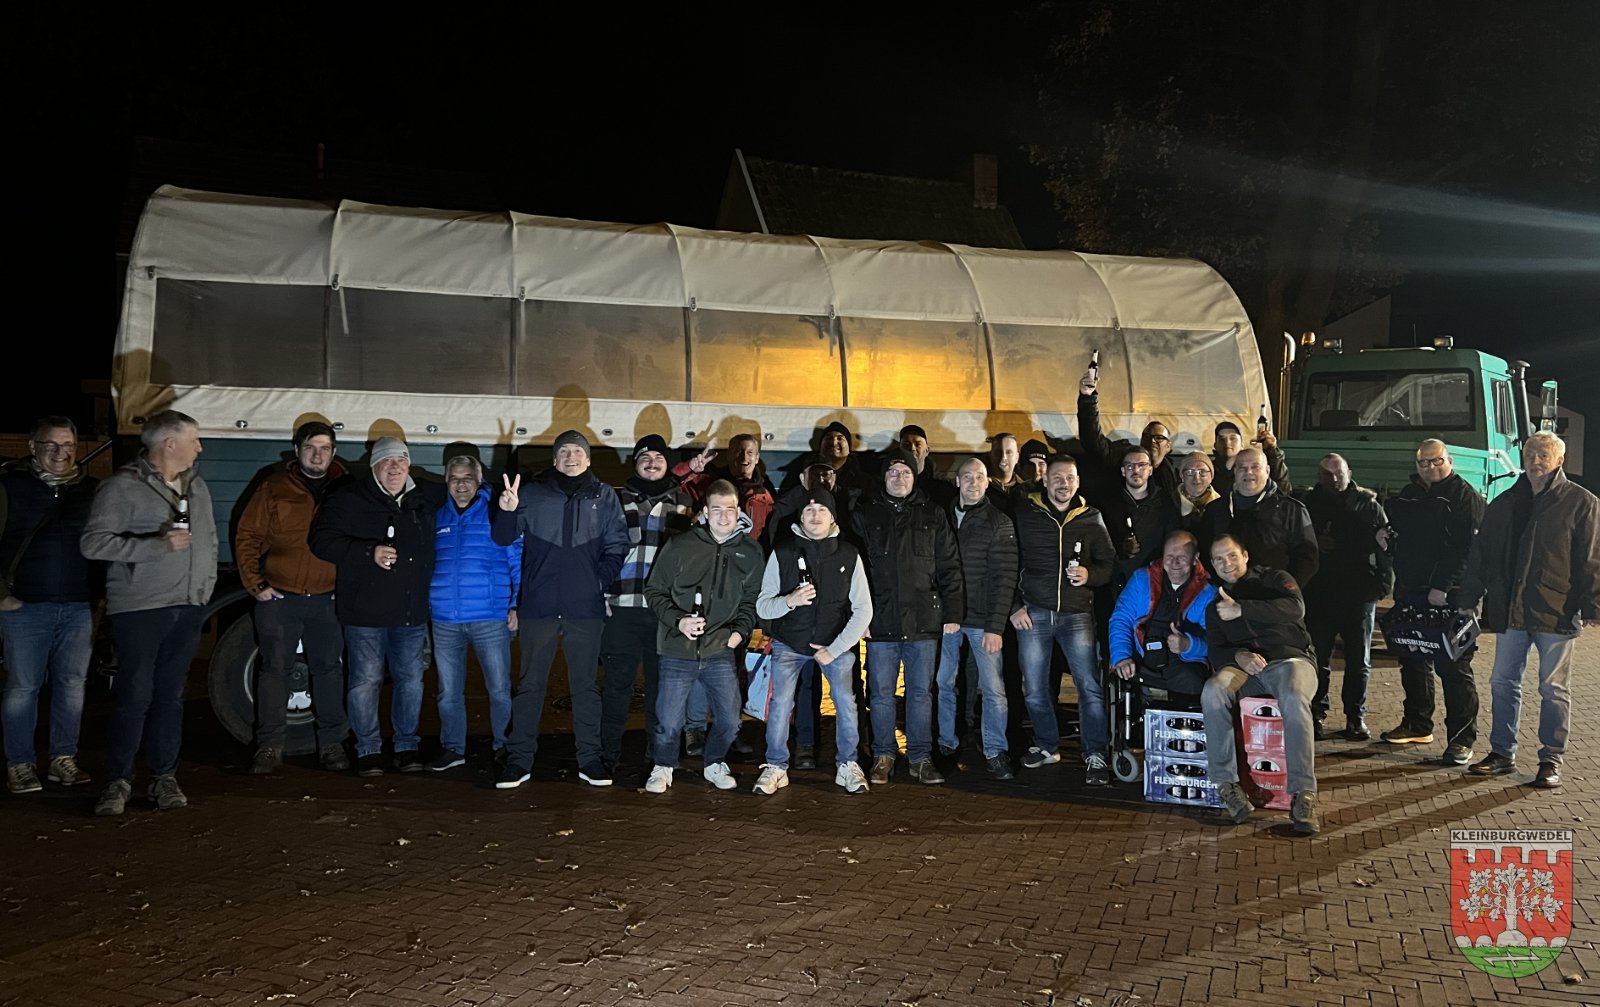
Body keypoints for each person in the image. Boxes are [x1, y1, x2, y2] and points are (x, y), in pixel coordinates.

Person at [81, 410, 217, 816]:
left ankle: (164, 777)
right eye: (194, 439)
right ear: (169, 444)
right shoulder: (121, 487)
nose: (200, 447)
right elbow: (93, 543)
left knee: (171, 696)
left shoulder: (197, 486)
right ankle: (118, 781)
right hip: (141, 607)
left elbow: (209, 540)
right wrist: (155, 546)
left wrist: (204, 590)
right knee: (134, 696)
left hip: (187, 606)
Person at [1457, 432, 1598, 788]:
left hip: (1557, 610)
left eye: (1544, 454)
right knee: (1503, 682)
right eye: (1530, 453)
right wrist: (1468, 597)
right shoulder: (1505, 502)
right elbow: (1481, 553)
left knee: (1553, 688)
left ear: (1560, 460)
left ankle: (1551, 759)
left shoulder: (1581, 502)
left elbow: (1592, 558)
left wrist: (1593, 605)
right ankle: (1502, 753)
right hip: (1511, 611)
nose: (1535, 460)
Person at [493, 430, 629, 789]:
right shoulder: (532, 493)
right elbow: (503, 537)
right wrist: (506, 510)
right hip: (538, 606)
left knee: (585, 688)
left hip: (584, 609)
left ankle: (590, 760)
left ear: (588, 459)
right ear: (554, 459)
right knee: (529, 687)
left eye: (577, 451)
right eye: (564, 451)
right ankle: (519, 761)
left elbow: (618, 544)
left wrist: (597, 582)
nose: (571, 457)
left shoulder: (604, 496)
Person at [308, 437, 436, 778]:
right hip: (364, 612)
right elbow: (321, 541)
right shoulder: (349, 499)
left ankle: (407, 746)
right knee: (365, 681)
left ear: (409, 464)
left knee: (411, 681)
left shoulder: (423, 498)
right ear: (374, 466)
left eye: (401, 460)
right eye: (387, 461)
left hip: (410, 613)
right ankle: (368, 749)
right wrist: (369, 552)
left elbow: (464, 487)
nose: (395, 467)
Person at [233, 420, 349, 774]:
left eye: (325, 448)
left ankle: (332, 745)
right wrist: (256, 585)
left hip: (328, 600)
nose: (317, 455)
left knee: (329, 671)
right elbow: (248, 536)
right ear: (297, 450)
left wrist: (348, 588)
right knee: (274, 672)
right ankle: (270, 747)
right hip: (280, 598)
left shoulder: (347, 488)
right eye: (310, 448)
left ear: (333, 452)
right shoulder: (273, 486)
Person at [641, 480, 764, 793]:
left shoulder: (750, 551)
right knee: (669, 720)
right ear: (705, 512)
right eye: (717, 509)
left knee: (731, 720)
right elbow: (654, 590)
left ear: (739, 511)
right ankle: (663, 766)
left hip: (719, 648)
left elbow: (751, 599)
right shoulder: (680, 545)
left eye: (730, 509)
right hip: (676, 647)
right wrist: (678, 620)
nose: (724, 516)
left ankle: (714, 762)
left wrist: (738, 633)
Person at [853, 447, 965, 786]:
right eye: (892, 472)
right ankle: (883, 755)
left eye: (905, 472)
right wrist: (860, 616)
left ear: (914, 477)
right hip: (880, 619)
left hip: (923, 620)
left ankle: (920, 757)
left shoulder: (932, 513)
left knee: (920, 693)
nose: (899, 478)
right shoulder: (865, 514)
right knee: (880, 693)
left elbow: (949, 565)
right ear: (883, 477)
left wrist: (953, 611)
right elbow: (855, 572)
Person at [752, 487, 873, 795]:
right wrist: (789, 601)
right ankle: (776, 766)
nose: (815, 516)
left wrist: (835, 649)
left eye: (822, 510)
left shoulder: (848, 554)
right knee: (781, 704)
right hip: (790, 643)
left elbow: (864, 609)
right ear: (800, 517)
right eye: (809, 510)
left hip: (834, 643)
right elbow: (763, 606)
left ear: (832, 517)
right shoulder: (783, 552)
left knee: (846, 701)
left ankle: (848, 764)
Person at [2, 416, 99, 795]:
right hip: (24, 606)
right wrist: (1, 595)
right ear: (32, 447)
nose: (61, 453)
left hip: (77, 605)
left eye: (69, 445)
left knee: (72, 685)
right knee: (22, 688)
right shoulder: (10, 487)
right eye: (51, 445)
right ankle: (20, 764)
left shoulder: (90, 489)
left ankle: (63, 759)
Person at [1202, 534, 1320, 835]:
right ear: (1212, 564)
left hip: (1290, 661)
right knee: (1213, 691)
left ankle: (1303, 794)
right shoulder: (1214, 606)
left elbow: (1295, 608)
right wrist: (1238, 656)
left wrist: (1243, 608)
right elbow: (1215, 651)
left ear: (1245, 555)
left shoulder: (1275, 579)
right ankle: (1227, 786)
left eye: (1232, 555)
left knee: (1293, 696)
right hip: (1246, 671)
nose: (1226, 563)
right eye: (1218, 559)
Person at [1010, 456, 1116, 784]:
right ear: (1045, 480)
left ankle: (1095, 752)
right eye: (1057, 477)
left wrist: (1090, 575)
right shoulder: (1025, 513)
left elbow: (1108, 563)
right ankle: (1046, 745)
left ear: (1078, 482)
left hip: (1077, 613)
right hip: (1035, 611)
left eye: (1070, 477)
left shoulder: (1091, 517)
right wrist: (1014, 605)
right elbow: (1008, 561)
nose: (1064, 483)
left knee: (1089, 686)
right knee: (1034, 688)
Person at [1380, 439, 1486, 761]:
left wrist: (1443, 586)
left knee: (1454, 666)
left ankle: (1462, 739)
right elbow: (1399, 530)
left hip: (1450, 595)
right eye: (1423, 462)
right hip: (1412, 590)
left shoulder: (1464, 497)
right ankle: (1417, 724)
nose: (1430, 467)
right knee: (1412, 657)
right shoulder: (1410, 493)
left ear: (1449, 460)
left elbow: (1466, 550)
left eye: (1436, 460)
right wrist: (1385, 536)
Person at [600, 435, 696, 768]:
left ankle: (659, 755)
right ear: (635, 463)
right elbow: (598, 550)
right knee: (617, 686)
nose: (652, 463)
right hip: (620, 607)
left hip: (664, 612)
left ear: (668, 464)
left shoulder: (684, 502)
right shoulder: (614, 500)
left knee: (662, 688)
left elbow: (690, 561)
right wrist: (601, 594)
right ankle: (608, 752)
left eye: (659, 457)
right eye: (645, 457)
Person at [429, 455, 522, 771]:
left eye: (467, 477)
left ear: (479, 480)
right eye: (454, 478)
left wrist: (516, 603)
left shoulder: (497, 512)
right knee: (448, 693)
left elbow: (516, 560)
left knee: (499, 690)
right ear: (446, 482)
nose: (461, 484)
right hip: (445, 618)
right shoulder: (437, 515)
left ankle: (505, 746)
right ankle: (453, 748)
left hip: (490, 616)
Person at [1297, 453, 1392, 740]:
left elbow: (1386, 547)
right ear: (1319, 476)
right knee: (1317, 658)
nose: (1335, 479)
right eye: (1328, 474)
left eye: (1339, 473)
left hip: (1359, 593)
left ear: (1349, 473)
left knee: (1359, 660)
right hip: (1320, 593)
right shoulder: (1307, 505)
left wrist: (1383, 584)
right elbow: (1295, 543)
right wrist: (1314, 543)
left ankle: (1355, 716)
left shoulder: (1368, 505)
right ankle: (1316, 713)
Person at [937, 457, 1018, 779]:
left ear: (988, 482)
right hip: (948, 619)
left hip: (983, 620)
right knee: (944, 682)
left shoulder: (999, 522)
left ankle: (995, 750)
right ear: (957, 481)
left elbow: (1006, 577)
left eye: (979, 477)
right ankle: (946, 743)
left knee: (993, 688)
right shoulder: (941, 517)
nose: (973, 482)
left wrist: (995, 627)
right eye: (967, 476)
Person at [1109, 531, 1215, 706]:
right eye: (1169, 556)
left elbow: (1215, 641)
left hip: (1183, 661)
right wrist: (1122, 656)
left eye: (1182, 557)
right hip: (1140, 654)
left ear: (1195, 558)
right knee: (1122, 678)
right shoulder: (1142, 579)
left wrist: (1189, 644)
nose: (1174, 563)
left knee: (1191, 681)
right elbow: (1121, 618)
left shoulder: (1208, 593)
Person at [1197, 446, 1318, 587]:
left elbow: (1307, 558)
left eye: (1255, 467)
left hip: (1273, 594)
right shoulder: (1215, 510)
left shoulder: (1291, 510)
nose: (1248, 472)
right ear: (1235, 472)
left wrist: (1286, 591)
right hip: (1226, 594)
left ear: (1267, 471)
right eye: (1242, 468)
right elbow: (1204, 551)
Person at [1078, 367, 1180, 505]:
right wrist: (1088, 399)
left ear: (1168, 446)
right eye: (1147, 436)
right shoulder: (1121, 456)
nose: (1152, 441)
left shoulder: (1172, 476)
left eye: (1159, 438)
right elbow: (1093, 441)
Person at [1098, 446, 1181, 590]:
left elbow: (1174, 541)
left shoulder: (1165, 503)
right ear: (1123, 471)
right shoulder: (1108, 504)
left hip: (1154, 581)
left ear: (1150, 470)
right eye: (1130, 466)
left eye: (1142, 465)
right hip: (1116, 581)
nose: (1136, 471)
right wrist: (1119, 547)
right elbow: (1097, 544)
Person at [675, 433, 776, 543]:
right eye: (738, 451)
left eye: (750, 452)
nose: (744, 457)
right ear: (729, 455)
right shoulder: (709, 483)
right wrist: (690, 468)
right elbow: (673, 483)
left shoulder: (766, 496)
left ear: (756, 458)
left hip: (749, 553)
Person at [1210, 421, 1291, 498]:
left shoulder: (1258, 468)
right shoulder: (1208, 470)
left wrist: (1272, 451)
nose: (1227, 443)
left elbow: (1282, 491)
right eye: (1221, 439)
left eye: (1233, 438)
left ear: (1242, 444)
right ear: (1215, 445)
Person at [899, 424, 954, 506]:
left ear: (927, 451)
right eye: (906, 444)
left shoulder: (942, 487)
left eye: (918, 444)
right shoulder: (890, 481)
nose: (912, 448)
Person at [1177, 452, 1219, 531]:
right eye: (1190, 472)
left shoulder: (1222, 505)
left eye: (1203, 472)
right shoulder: (1170, 503)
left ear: (1211, 477)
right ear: (1182, 476)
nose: (1196, 478)